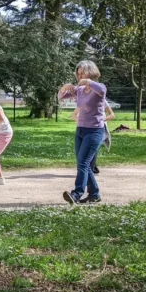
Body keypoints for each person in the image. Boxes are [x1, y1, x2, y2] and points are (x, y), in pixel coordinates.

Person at [57, 60, 107, 204]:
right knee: (82, 163)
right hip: (80, 130)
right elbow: (61, 97)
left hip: (95, 131)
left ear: (91, 72)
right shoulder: (79, 90)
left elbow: (101, 90)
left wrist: (88, 82)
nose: (79, 77)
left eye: (82, 73)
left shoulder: (99, 88)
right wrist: (64, 88)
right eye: (78, 74)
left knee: (84, 163)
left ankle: (76, 194)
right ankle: (94, 194)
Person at [73, 103, 115, 174]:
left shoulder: (102, 100)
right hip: (82, 130)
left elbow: (112, 114)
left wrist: (102, 120)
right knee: (82, 153)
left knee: (90, 150)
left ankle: (90, 169)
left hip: (96, 130)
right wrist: (80, 121)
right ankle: (90, 168)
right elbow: (74, 114)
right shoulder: (84, 100)